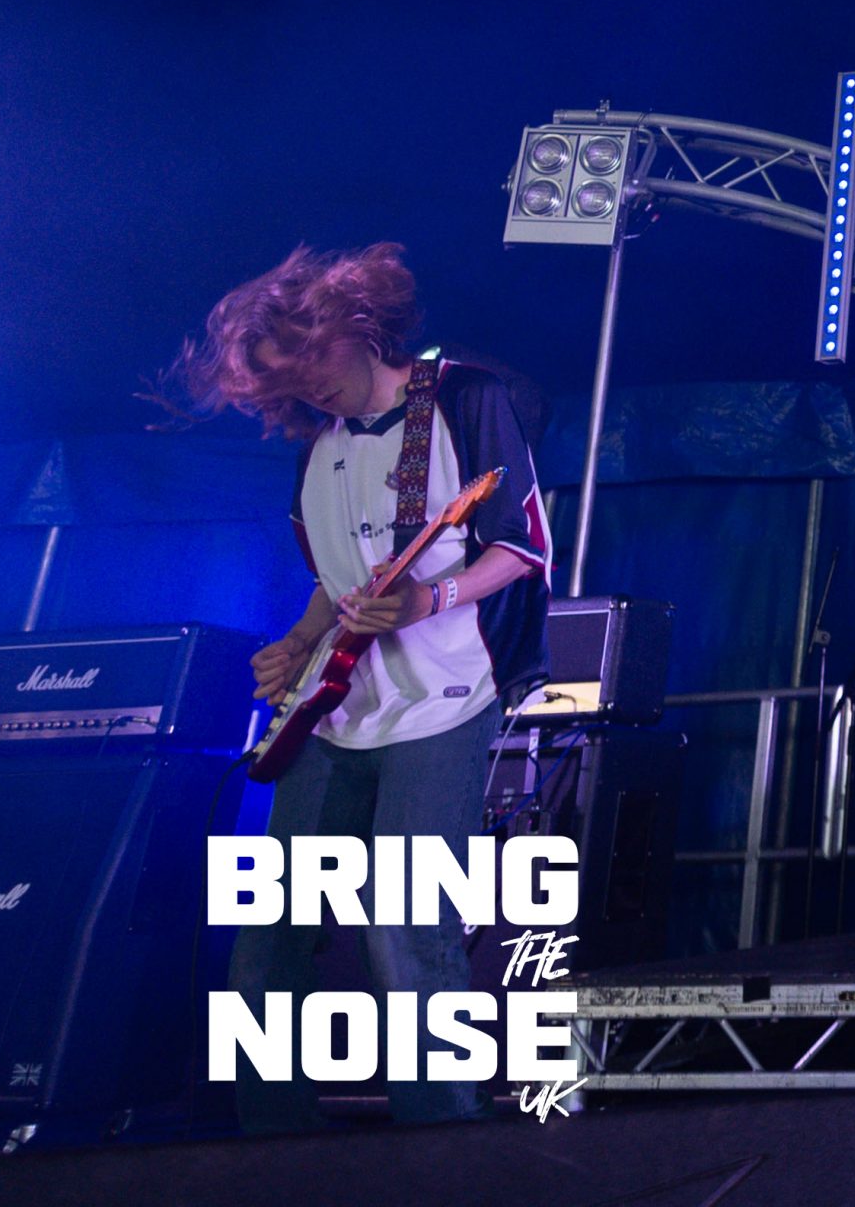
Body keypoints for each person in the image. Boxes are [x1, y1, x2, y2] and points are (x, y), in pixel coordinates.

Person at [181, 241, 550, 1132]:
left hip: (445, 702)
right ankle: (266, 1149)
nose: (308, 386)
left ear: (350, 324)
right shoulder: (318, 448)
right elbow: (336, 581)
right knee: (267, 941)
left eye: (310, 360)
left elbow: (523, 545)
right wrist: (296, 645)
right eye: (285, 380)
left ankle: (442, 1142)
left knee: (406, 928)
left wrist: (431, 597)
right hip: (332, 714)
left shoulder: (463, 398)